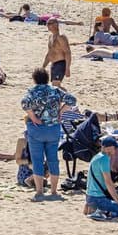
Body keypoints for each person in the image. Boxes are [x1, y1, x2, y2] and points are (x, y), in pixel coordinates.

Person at [23, 68, 75, 201]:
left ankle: (39, 192)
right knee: (53, 160)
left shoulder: (32, 91)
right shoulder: (55, 90)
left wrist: (33, 117)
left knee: (37, 160)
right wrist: (61, 112)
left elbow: (24, 103)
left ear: (35, 79)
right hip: (53, 129)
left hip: (37, 129)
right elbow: (72, 100)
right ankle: (54, 191)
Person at [85, 136, 118, 218]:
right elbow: (108, 182)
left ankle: (102, 211)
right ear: (107, 148)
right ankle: (105, 212)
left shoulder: (96, 157)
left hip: (90, 197)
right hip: (98, 198)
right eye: (114, 147)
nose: (116, 149)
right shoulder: (104, 159)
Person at [42, 18, 71, 86]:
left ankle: (68, 96)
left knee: (56, 85)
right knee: (54, 86)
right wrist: (43, 67)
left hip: (61, 63)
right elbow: (49, 53)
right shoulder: (51, 37)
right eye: (47, 24)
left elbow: (67, 52)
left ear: (56, 24)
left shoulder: (61, 37)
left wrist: (67, 68)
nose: (47, 25)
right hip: (53, 64)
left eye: (49, 24)